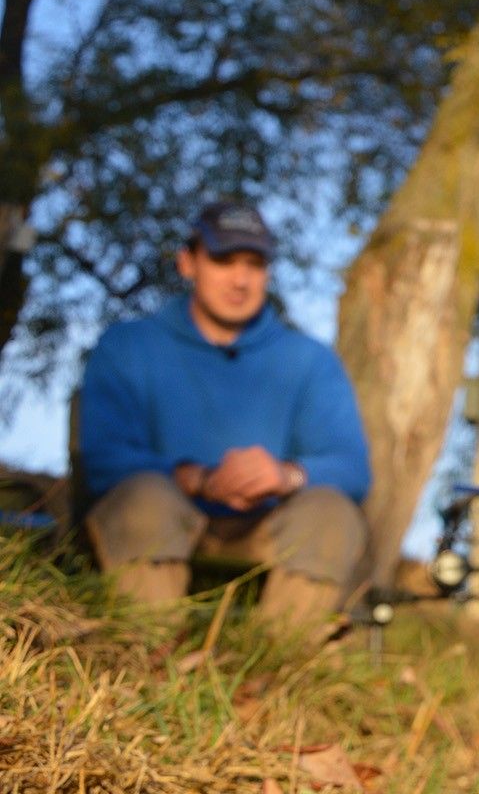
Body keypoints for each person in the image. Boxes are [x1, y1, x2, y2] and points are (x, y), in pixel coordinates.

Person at [76, 201, 372, 631]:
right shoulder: (128, 345)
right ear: (188, 262)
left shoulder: (310, 361)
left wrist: (285, 475)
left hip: (267, 531)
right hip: (166, 519)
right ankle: (145, 661)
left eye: (254, 263)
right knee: (143, 499)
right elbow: (105, 460)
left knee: (331, 512)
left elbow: (352, 468)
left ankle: (280, 674)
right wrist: (198, 480)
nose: (240, 279)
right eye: (223, 260)